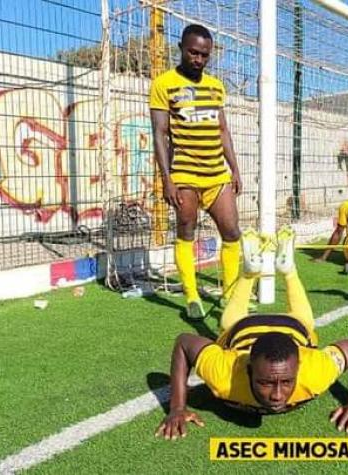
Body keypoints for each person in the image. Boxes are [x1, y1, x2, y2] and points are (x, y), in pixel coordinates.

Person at [155, 227, 348, 439]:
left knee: (242, 322)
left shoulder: (314, 372)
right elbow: (183, 343)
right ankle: (285, 271)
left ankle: (252, 272)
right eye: (265, 383)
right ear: (248, 370)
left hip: (272, 326)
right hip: (254, 327)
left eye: (286, 382)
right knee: (291, 321)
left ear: (299, 367)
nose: (277, 395)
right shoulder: (225, 376)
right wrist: (177, 407)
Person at [150, 24, 242, 320]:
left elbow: (222, 130)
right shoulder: (164, 84)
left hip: (217, 175)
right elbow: (159, 133)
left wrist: (234, 168)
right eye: (193, 52)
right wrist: (167, 179)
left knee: (232, 232)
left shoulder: (216, 86)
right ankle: (191, 296)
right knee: (186, 231)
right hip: (185, 176)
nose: (199, 59)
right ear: (181, 48)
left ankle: (230, 295)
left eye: (204, 55)